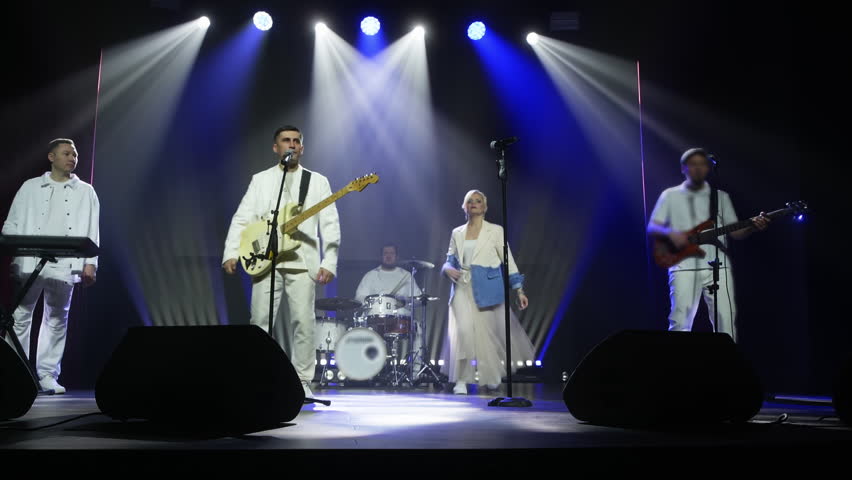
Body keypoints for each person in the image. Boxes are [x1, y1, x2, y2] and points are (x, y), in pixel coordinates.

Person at [223, 125, 340, 398]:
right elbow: (243, 217)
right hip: (266, 261)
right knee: (260, 322)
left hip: (303, 261)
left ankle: (303, 382)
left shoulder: (317, 181)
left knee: (303, 323)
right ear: (276, 148)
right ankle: (257, 377)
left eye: (296, 141)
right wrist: (231, 251)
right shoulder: (261, 180)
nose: (292, 145)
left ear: (302, 147)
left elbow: (330, 224)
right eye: (286, 141)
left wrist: (329, 261)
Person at [2, 138, 100, 394]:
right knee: (21, 316)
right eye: (67, 153)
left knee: (57, 317)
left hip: (66, 261)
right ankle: (17, 373)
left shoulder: (86, 191)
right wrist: (11, 250)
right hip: (30, 259)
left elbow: (93, 228)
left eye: (75, 155)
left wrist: (91, 262)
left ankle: (47, 375)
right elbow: (12, 222)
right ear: (51, 157)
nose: (72, 158)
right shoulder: (30, 187)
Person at [647, 147, 770, 341]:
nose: (698, 169)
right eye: (693, 164)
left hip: (718, 266)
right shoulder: (670, 195)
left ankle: (725, 367)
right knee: (680, 324)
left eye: (702, 164)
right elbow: (654, 227)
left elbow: (735, 232)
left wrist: (753, 226)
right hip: (683, 266)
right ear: (684, 169)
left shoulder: (720, 197)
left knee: (725, 324)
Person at [441, 189, 534, 395]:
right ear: (464, 207)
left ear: (485, 207)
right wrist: (447, 268)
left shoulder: (496, 231)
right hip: (462, 288)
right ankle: (462, 380)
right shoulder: (457, 232)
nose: (474, 203)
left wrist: (519, 290)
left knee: (487, 336)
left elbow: (508, 261)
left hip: (487, 289)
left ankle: (490, 375)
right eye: (470, 201)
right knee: (464, 332)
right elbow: (450, 259)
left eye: (478, 201)